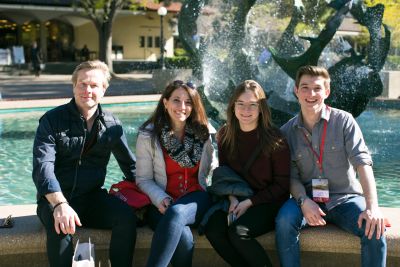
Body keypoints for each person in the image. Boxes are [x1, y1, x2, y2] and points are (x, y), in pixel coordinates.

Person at [275, 65, 387, 267]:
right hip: (307, 199)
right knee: (284, 222)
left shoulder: (344, 121)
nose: (311, 94)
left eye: (317, 88)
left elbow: (363, 164)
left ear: (326, 92)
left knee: (375, 229)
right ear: (296, 90)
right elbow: (291, 176)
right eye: (305, 87)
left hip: (345, 198)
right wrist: (303, 201)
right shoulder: (286, 132)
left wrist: (373, 208)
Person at [32, 60, 137, 267]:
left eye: (94, 85)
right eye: (82, 84)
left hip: (91, 198)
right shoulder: (51, 120)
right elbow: (43, 168)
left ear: (104, 90)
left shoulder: (113, 125)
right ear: (74, 86)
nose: (87, 90)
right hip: (54, 201)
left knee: (126, 218)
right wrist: (59, 204)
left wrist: (157, 195)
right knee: (60, 226)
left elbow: (130, 166)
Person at [204, 80, 291, 267]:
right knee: (213, 230)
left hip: (269, 201)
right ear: (233, 106)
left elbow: (282, 185)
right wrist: (233, 198)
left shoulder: (276, 139)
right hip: (238, 197)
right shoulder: (225, 135)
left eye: (253, 104)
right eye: (241, 104)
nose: (246, 110)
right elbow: (226, 175)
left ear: (261, 108)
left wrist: (250, 203)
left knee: (238, 233)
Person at [136, 80, 217, 267]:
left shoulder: (203, 133)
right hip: (161, 202)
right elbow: (143, 179)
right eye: (176, 100)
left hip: (196, 198)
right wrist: (160, 198)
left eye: (188, 102)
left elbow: (212, 167)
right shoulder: (148, 135)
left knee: (176, 212)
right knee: (185, 238)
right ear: (165, 102)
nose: (182, 107)